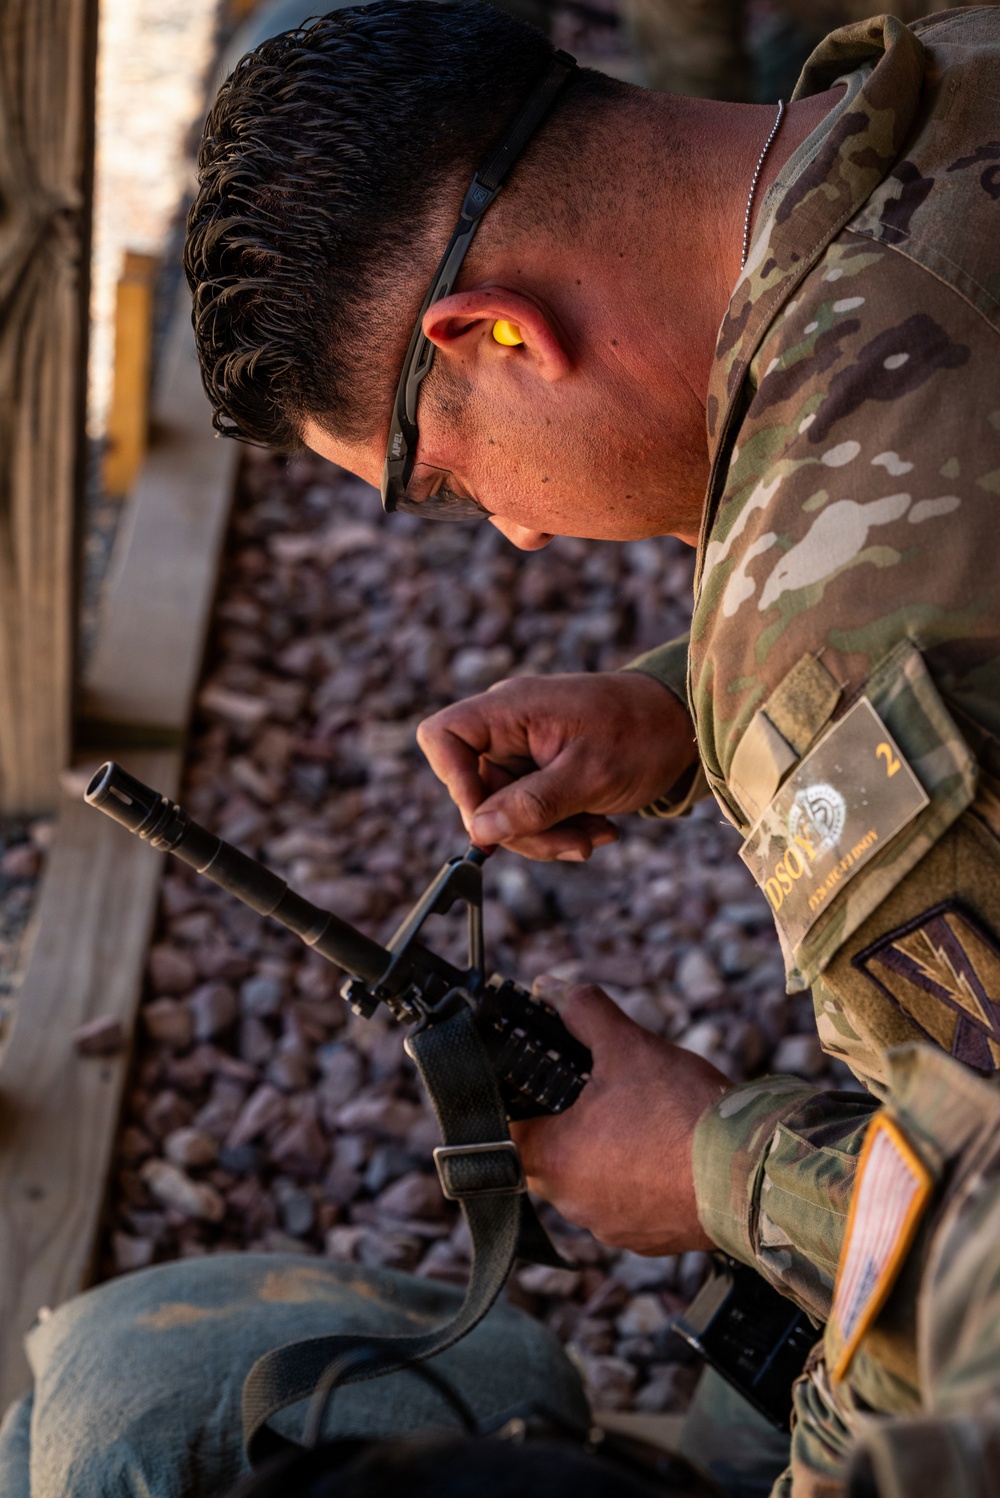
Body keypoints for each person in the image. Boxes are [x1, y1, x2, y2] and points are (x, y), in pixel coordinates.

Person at [184, 3, 1000, 1490]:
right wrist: (684, 700)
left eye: (442, 481)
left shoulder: (832, 657)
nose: (520, 526)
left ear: (493, 330)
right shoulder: (941, 66)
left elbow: (988, 1278)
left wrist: (710, 1162)